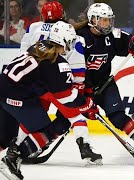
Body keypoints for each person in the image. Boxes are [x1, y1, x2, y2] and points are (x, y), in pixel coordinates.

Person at [19, 1, 103, 165]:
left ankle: (16, 146)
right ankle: (85, 148)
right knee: (75, 115)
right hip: (60, 83)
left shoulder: (33, 28)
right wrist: (79, 90)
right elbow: (77, 62)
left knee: (33, 117)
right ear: (62, 14)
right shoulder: (69, 30)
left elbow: (24, 55)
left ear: (43, 14)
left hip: (37, 83)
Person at [0, 21, 83, 180]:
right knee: (52, 129)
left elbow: (36, 79)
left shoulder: (40, 45)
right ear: (63, 39)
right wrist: (86, 105)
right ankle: (13, 158)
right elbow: (65, 96)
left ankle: (11, 154)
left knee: (5, 136)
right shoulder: (56, 62)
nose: (71, 45)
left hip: (4, 88)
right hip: (15, 95)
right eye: (70, 41)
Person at [73, 3, 134, 150]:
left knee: (118, 117)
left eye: (109, 20)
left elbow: (131, 40)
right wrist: (84, 92)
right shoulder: (78, 38)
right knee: (65, 119)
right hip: (80, 89)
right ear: (93, 19)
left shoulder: (112, 35)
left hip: (105, 85)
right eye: (103, 20)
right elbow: (73, 69)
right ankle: (31, 147)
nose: (107, 23)